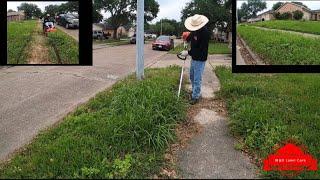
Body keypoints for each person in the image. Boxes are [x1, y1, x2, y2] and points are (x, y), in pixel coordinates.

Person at [180, 14, 210, 104]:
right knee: (192, 76)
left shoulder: (205, 33)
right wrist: (185, 38)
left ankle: (196, 97)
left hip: (200, 59)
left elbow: (200, 50)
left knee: (197, 78)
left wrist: (188, 52)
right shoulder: (194, 31)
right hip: (194, 58)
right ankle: (194, 91)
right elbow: (189, 37)